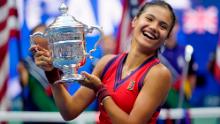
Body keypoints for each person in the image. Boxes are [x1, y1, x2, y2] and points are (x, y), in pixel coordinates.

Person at [30, 1, 176, 123]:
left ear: (167, 36)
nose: (154, 27)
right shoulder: (107, 63)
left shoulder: (159, 73)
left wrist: (101, 91)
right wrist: (52, 73)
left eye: (163, 26)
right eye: (149, 19)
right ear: (135, 21)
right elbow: (69, 111)